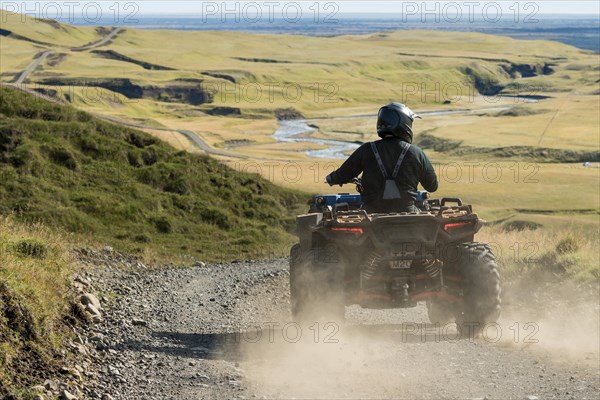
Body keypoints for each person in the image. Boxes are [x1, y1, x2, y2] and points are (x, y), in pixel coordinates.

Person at [325, 103, 438, 213]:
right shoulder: (417, 152)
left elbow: (344, 174)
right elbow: (432, 186)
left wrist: (331, 178)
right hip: (408, 212)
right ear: (405, 123)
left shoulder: (367, 149)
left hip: (371, 213)